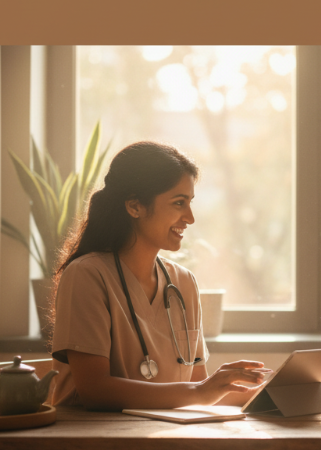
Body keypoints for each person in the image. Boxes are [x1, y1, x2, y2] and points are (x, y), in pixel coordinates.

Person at [50, 141, 266, 410]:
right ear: (134, 206)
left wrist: (276, 394)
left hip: (165, 435)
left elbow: (197, 387)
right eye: (179, 203)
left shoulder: (183, 282)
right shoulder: (86, 275)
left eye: (190, 203)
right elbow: (94, 389)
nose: (190, 218)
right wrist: (201, 391)